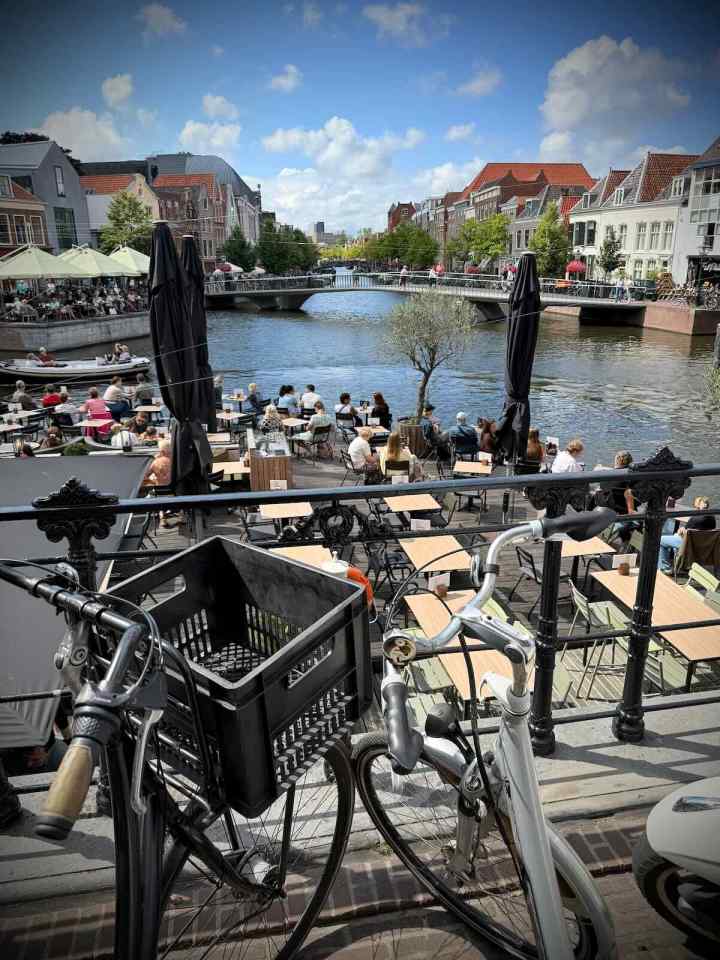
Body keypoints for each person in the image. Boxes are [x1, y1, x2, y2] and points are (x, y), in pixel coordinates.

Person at [659, 496, 716, 573]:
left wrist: (681, 530)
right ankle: (683, 564)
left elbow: (686, 532)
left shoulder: (695, 519)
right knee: (675, 536)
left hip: (688, 545)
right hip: (703, 547)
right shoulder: (712, 518)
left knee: (661, 540)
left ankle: (665, 567)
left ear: (700, 505)